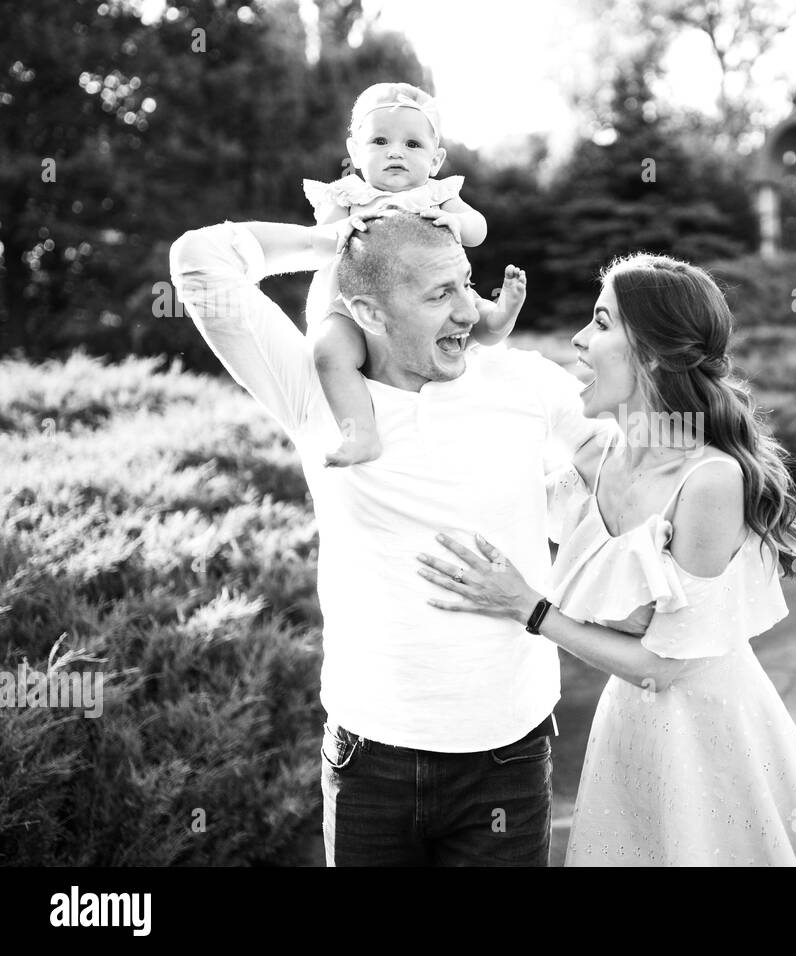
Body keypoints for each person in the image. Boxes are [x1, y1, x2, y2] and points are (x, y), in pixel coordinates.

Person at [170, 211, 608, 866]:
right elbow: (198, 258)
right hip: (368, 757)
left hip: (507, 754)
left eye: (466, 283)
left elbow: (619, 482)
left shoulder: (523, 382)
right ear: (368, 311)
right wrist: (342, 239)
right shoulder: (316, 394)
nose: (468, 310)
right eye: (439, 294)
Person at [417, 253, 796, 866]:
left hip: (714, 739)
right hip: (628, 728)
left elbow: (663, 667)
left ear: (652, 353)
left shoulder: (709, 480)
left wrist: (527, 609)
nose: (579, 339)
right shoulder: (594, 463)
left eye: (600, 322)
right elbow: (498, 416)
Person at [303, 82, 526, 466]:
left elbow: (479, 228)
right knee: (329, 352)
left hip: (436, 293)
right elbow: (315, 243)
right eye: (380, 141)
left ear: (436, 160)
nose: (395, 152)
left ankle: (501, 316)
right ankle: (361, 434)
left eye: (412, 145)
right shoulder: (346, 197)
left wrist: (454, 221)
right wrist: (342, 229)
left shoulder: (436, 194)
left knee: (473, 317)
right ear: (355, 151)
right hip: (353, 304)